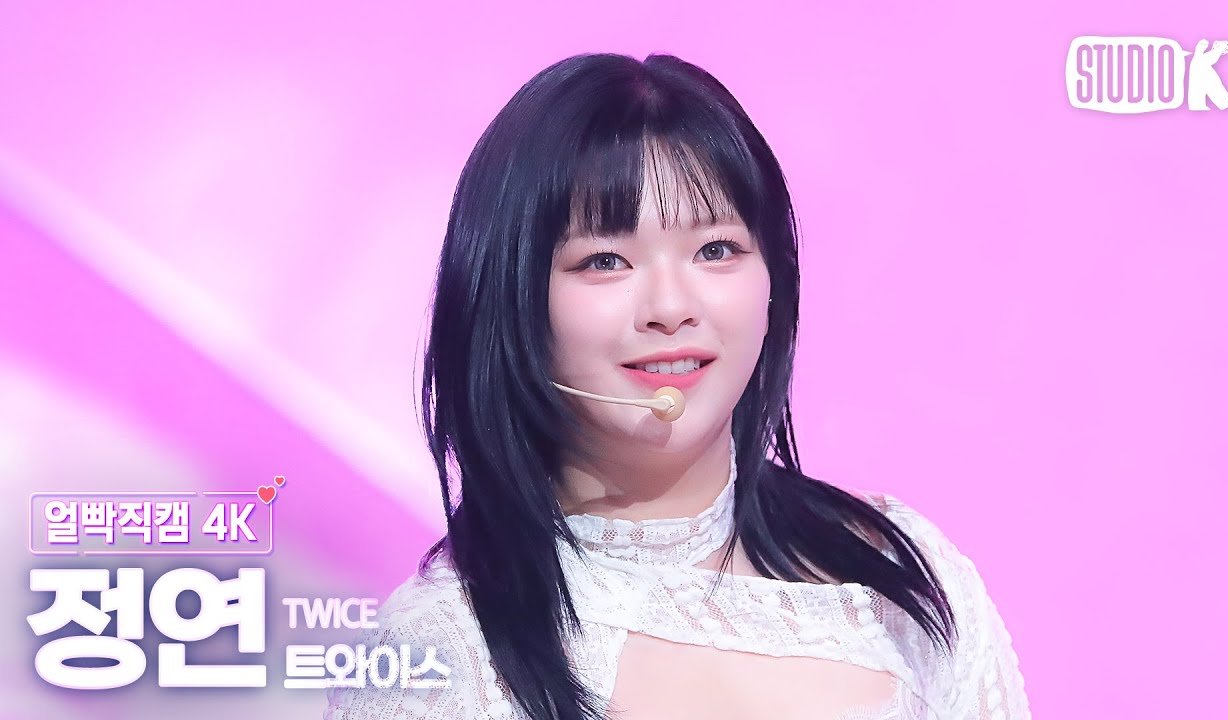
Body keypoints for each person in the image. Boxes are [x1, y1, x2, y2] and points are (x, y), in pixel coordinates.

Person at [325, 52, 1030, 720]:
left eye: (716, 250)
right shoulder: (443, 654)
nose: (670, 306)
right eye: (605, 260)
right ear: (510, 300)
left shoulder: (897, 569)